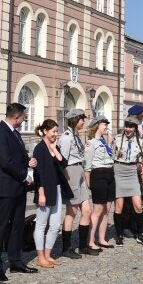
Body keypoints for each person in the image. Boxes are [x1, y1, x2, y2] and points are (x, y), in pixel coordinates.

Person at [0, 103, 38, 282]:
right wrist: (24, 175)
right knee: (1, 226)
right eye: (24, 116)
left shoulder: (15, 133)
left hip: (18, 187)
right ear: (16, 117)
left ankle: (16, 261)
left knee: (18, 225)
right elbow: (5, 161)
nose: (24, 119)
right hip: (5, 187)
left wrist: (28, 161)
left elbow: (18, 155)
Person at [32, 119, 74, 268]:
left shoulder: (54, 147)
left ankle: (48, 254)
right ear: (45, 131)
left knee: (55, 225)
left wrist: (55, 149)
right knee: (42, 224)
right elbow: (38, 173)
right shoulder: (39, 148)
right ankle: (40, 256)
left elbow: (64, 163)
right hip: (44, 189)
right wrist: (41, 192)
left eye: (57, 131)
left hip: (56, 189)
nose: (56, 134)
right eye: (53, 132)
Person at [57, 108, 91, 259]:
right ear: (75, 120)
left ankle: (83, 246)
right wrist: (66, 180)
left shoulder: (76, 136)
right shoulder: (66, 137)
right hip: (71, 172)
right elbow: (62, 160)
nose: (84, 121)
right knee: (72, 211)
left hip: (80, 170)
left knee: (87, 210)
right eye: (81, 119)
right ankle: (66, 248)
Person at [113, 117, 143, 245]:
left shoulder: (140, 141)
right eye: (126, 126)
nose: (128, 129)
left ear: (135, 128)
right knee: (119, 206)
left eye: (131, 127)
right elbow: (110, 156)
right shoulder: (117, 138)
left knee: (138, 206)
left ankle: (140, 234)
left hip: (132, 172)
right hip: (119, 171)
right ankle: (119, 235)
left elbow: (142, 158)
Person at [84, 117, 115, 253]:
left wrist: (110, 139)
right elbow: (87, 166)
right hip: (98, 175)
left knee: (107, 209)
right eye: (104, 124)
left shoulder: (106, 141)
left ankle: (102, 238)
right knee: (97, 210)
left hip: (109, 173)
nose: (106, 126)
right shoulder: (91, 143)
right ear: (97, 126)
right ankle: (90, 240)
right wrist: (88, 183)